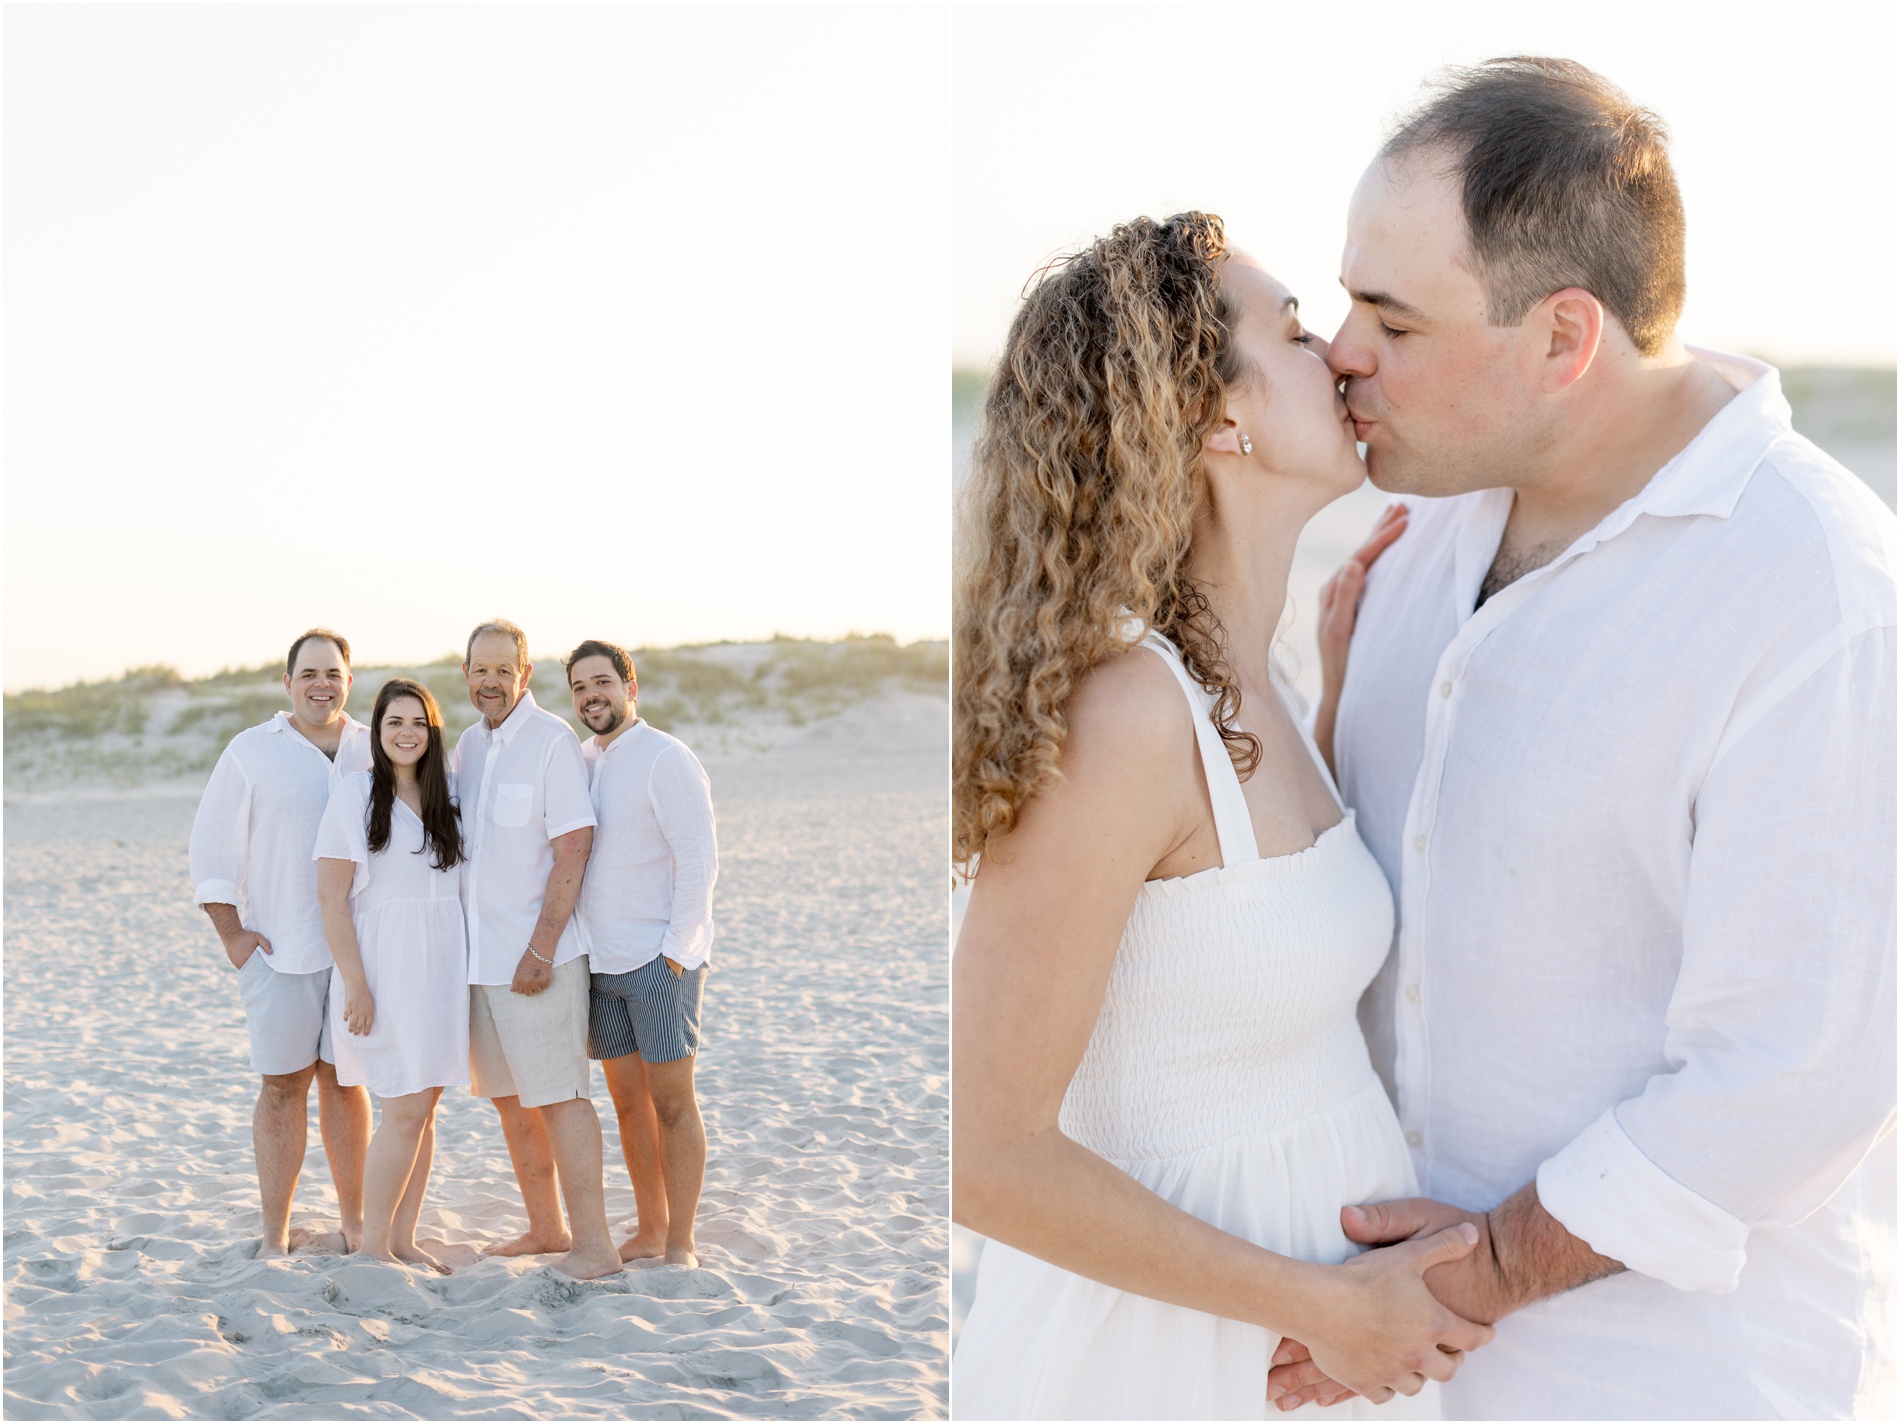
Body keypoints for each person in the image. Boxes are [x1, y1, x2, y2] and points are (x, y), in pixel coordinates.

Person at [1264, 58, 1896, 1420]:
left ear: (1564, 338)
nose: (1341, 356)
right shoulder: (1417, 537)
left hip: (1666, 1385)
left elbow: (1798, 1073)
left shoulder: (1818, 593)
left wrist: (1483, 1271)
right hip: (1392, 1380)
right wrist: (1320, 707)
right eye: (1343, 304)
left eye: (1393, 319)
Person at [950, 212, 1493, 1419]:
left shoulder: (1269, 684)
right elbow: (981, 1154)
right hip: (1162, 1360)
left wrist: (1348, 707)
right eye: (1297, 330)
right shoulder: (1126, 716)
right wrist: (1328, 1304)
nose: (1344, 354)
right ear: (1213, 418)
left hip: (1316, 1348)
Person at [190, 628, 375, 1257]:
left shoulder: (371, 746)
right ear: (288, 683)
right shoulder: (251, 751)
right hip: (280, 950)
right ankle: (275, 1235)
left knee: (347, 1084)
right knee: (282, 1087)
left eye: (333, 674)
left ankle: (357, 1223)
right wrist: (233, 935)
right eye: (310, 674)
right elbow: (211, 848)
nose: (322, 684)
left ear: (349, 680)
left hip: (359, 955)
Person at [453, 619, 620, 1280]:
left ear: (523, 675)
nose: (490, 682)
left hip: (538, 959)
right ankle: (546, 1227)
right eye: (479, 670)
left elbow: (573, 847)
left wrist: (541, 948)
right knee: (509, 1100)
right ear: (465, 675)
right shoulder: (467, 747)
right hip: (480, 962)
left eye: (503, 670)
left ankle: (596, 1246)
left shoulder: (553, 742)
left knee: (560, 1097)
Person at [566, 639, 718, 1268]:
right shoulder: (579, 762)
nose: (590, 696)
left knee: (673, 1104)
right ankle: (651, 1229)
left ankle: (681, 1241)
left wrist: (676, 956)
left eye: (601, 682)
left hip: (659, 962)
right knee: (628, 1105)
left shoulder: (666, 758)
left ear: (631, 687)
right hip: (599, 966)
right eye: (578, 687)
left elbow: (699, 863)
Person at [314, 679, 469, 1274]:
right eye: (392, 723)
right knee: (402, 1108)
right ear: (376, 734)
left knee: (424, 1107)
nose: (405, 733)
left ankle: (403, 1239)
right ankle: (374, 1245)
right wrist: (356, 984)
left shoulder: (450, 796)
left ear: (433, 732)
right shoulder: (355, 794)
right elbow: (331, 899)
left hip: (443, 967)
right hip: (385, 967)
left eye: (417, 723)